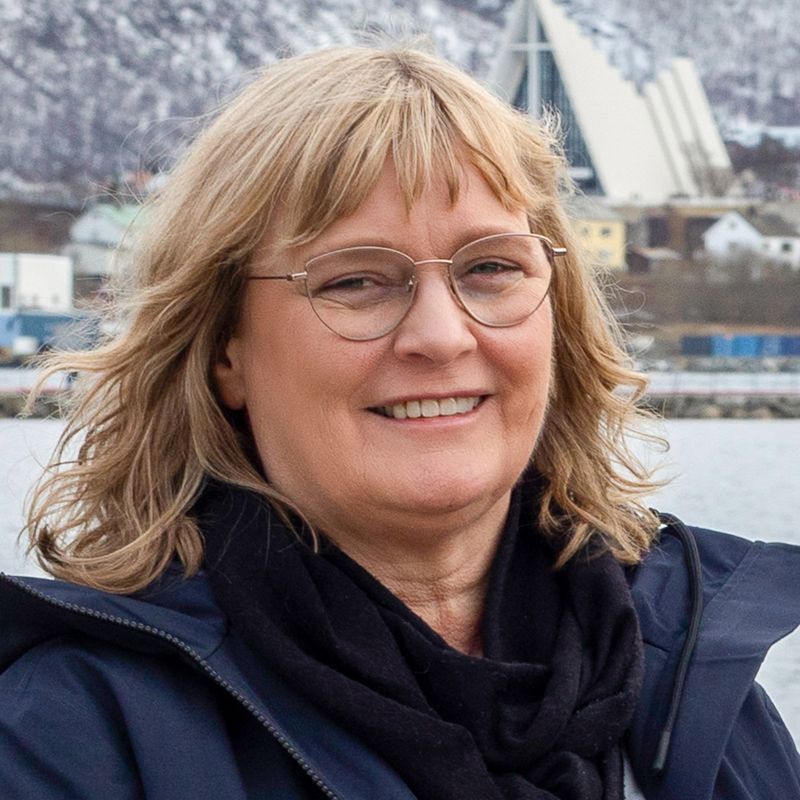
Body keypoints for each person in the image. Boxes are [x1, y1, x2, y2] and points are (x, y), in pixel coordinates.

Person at [1, 45, 798, 800]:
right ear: (223, 349)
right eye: (355, 282)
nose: (443, 336)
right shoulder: (76, 732)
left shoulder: (688, 681)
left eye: (490, 268)